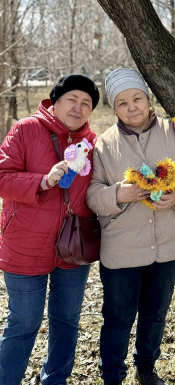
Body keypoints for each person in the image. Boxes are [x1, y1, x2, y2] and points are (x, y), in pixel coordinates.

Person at [86, 68, 175, 385]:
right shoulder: (103, 145)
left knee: (155, 312)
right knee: (117, 316)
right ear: (114, 108)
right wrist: (117, 194)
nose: (132, 107)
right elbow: (91, 194)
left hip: (167, 243)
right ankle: (112, 374)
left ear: (148, 99)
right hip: (122, 247)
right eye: (122, 103)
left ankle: (146, 367)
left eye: (137, 98)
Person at [0, 75, 100, 385]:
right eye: (72, 99)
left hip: (72, 247)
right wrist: (43, 180)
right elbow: (2, 177)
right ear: (55, 101)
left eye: (86, 103)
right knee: (24, 322)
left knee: (66, 321)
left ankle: (54, 380)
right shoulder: (27, 129)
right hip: (24, 245)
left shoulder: (92, 143)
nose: (78, 107)